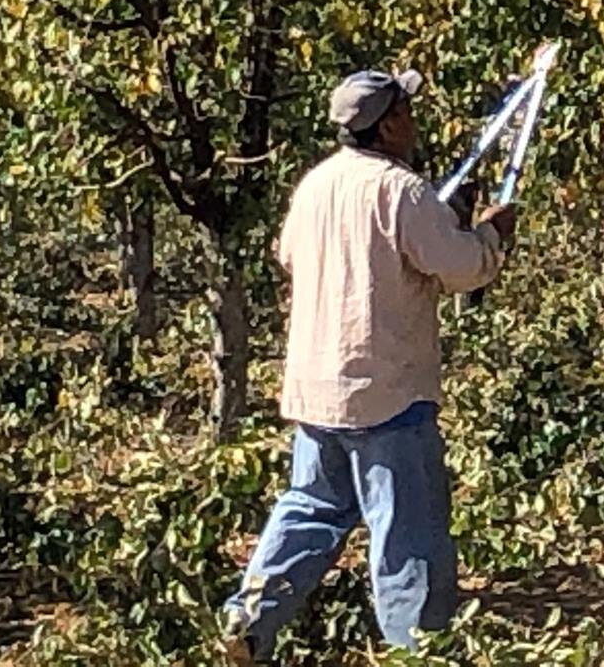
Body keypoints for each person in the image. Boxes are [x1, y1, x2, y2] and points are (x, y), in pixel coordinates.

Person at [219, 68, 516, 662]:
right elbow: (458, 267)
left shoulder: (316, 186)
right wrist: (490, 237)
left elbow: (290, 256)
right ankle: (418, 652)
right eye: (405, 110)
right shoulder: (399, 190)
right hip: (386, 390)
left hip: (316, 389)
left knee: (311, 508)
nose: (413, 121)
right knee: (407, 532)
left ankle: (248, 621)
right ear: (387, 124)